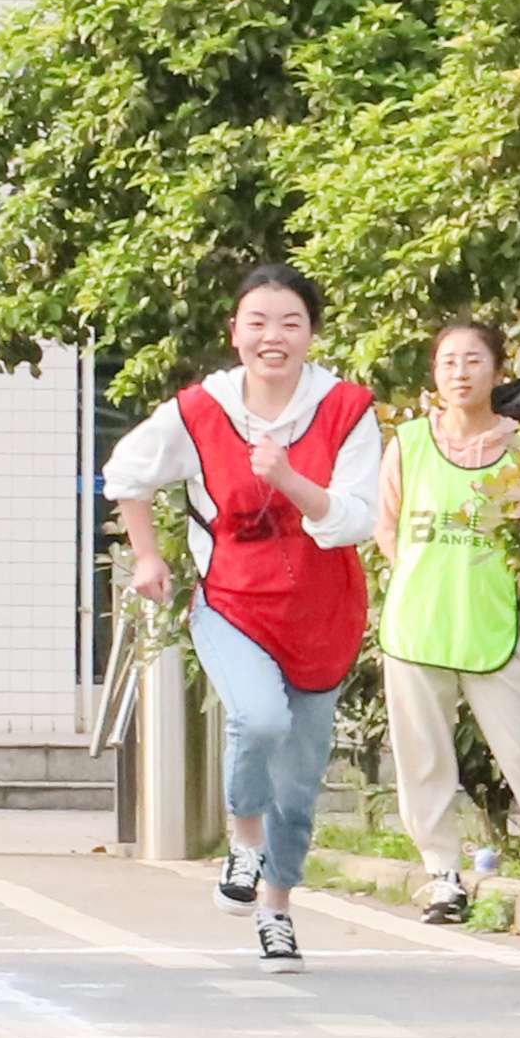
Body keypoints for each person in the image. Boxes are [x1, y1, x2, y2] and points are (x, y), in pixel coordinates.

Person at [105, 264, 386, 968]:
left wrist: (288, 478)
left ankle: (277, 907)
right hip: (231, 603)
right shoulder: (200, 410)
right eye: (257, 322)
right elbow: (127, 472)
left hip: (322, 613)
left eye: (290, 323)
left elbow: (355, 519)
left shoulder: (347, 409)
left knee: (299, 783)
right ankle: (243, 841)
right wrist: (147, 556)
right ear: (235, 333)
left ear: (311, 335)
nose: (273, 337)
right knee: (257, 718)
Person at [378, 320, 520, 926]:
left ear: (497, 371)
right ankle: (442, 876)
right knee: (424, 762)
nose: (460, 373)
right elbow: (386, 527)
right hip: (416, 628)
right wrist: (417, 577)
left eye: (473, 360)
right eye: (448, 362)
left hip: (490, 627)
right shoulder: (409, 444)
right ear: (434, 374)